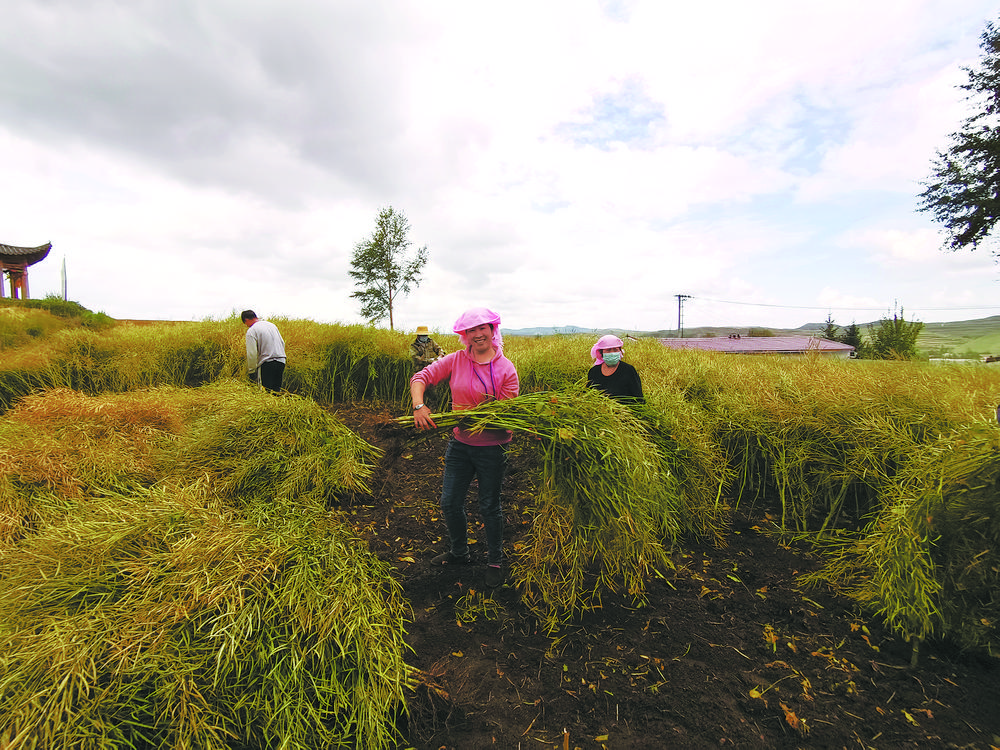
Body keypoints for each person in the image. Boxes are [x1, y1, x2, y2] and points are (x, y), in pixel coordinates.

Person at [410, 307, 519, 587]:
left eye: (482, 328)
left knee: (489, 505)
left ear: (493, 330)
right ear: (465, 335)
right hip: (460, 444)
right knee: (449, 502)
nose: (478, 334)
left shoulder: (506, 369)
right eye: (471, 330)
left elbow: (506, 417)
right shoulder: (456, 360)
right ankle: (460, 552)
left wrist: (475, 419)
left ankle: (495, 561)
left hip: (492, 448)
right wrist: (419, 406)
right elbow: (420, 378)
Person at [587, 334, 643, 403]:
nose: (612, 353)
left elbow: (638, 398)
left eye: (615, 350)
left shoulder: (628, 370)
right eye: (608, 350)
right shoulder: (594, 372)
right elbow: (588, 395)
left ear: (620, 351)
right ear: (601, 353)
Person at [241, 310, 286, 393]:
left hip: (267, 363)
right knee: (276, 391)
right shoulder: (272, 325)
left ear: (246, 320)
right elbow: (282, 343)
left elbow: (252, 353)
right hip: (281, 361)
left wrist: (251, 371)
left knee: (266, 393)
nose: (246, 326)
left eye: (245, 323)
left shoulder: (252, 331)